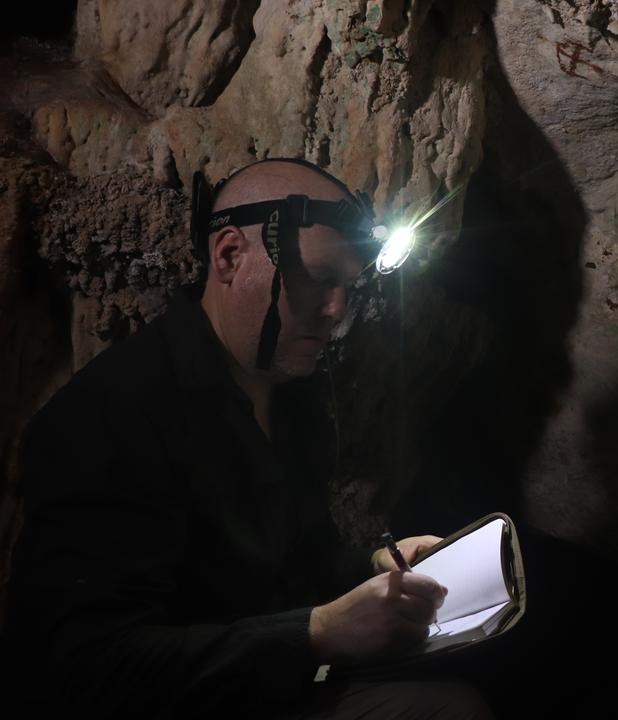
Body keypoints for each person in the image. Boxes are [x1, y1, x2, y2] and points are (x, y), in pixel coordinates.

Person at [0, 159, 495, 719]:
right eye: (317, 278)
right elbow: (88, 669)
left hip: (263, 685)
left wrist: (378, 564)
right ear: (230, 256)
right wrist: (318, 633)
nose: (337, 310)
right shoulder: (107, 419)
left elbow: (294, 564)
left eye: (347, 287)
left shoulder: (295, 400)